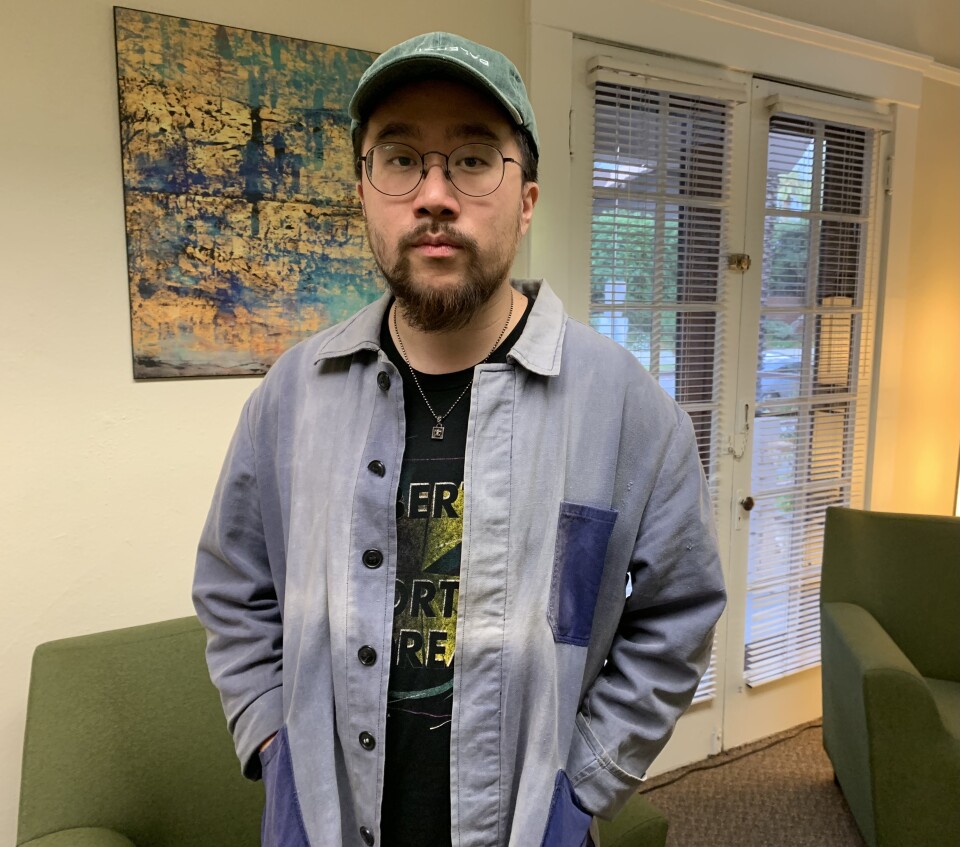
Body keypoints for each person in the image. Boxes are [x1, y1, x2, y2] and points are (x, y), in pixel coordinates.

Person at [193, 31, 726, 847]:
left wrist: (587, 779)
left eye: (474, 160)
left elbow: (678, 613)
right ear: (364, 192)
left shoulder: (627, 409)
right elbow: (234, 585)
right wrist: (272, 734)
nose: (435, 195)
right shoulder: (291, 395)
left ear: (527, 199)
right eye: (401, 158)